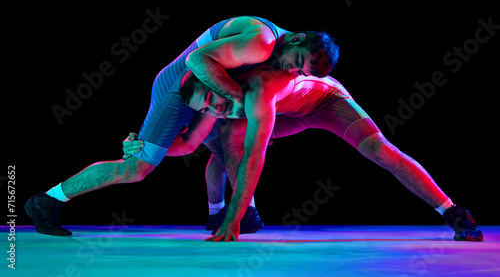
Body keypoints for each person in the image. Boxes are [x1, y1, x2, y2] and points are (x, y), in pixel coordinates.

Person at [25, 16, 340, 236]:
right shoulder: (262, 42)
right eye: (297, 61)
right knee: (136, 169)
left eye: (301, 71)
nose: (292, 70)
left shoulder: (282, 54)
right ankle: (47, 201)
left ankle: (230, 213)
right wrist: (239, 102)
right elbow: (195, 62)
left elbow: (190, 145)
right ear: (296, 38)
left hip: (212, 90)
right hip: (182, 88)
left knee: (223, 145)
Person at [125, 65, 482, 242]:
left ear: (221, 84)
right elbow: (186, 145)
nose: (215, 109)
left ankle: (452, 212)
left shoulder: (257, 89)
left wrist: (233, 214)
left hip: (325, 102)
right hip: (289, 114)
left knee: (380, 150)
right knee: (223, 136)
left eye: (215, 101)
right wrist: (141, 144)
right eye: (208, 108)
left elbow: (255, 157)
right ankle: (234, 214)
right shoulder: (216, 105)